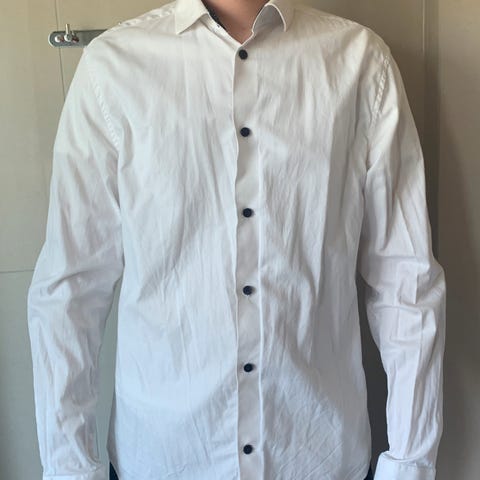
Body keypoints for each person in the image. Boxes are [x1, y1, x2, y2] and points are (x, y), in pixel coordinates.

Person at [27, 0, 446, 479]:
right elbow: (70, 290)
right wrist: (70, 469)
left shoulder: (359, 62)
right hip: (166, 459)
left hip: (316, 457)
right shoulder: (113, 67)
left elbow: (406, 282)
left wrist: (410, 465)